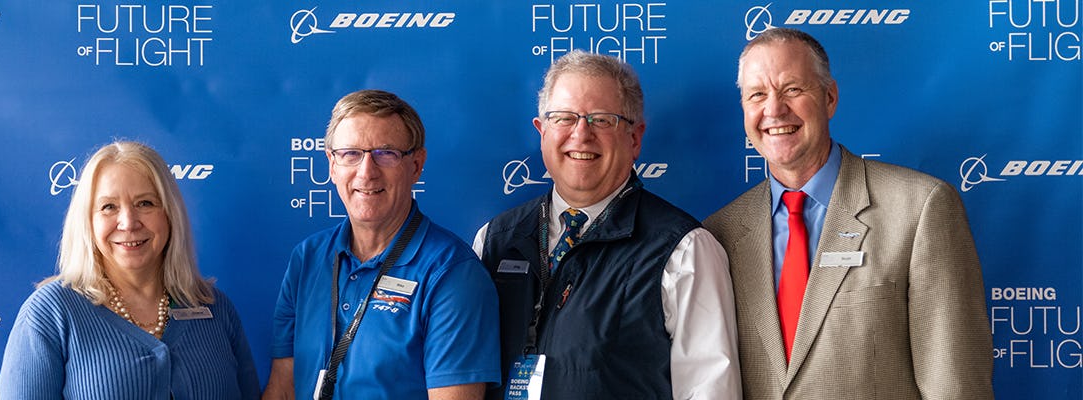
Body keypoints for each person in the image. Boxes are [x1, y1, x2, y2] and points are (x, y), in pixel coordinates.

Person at [703, 28, 994, 399]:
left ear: (829, 97)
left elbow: (956, 385)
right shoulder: (721, 232)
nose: (773, 109)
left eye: (792, 89)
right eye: (757, 95)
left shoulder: (921, 208)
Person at [473, 50, 741, 399]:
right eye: (564, 118)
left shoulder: (684, 250)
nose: (581, 134)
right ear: (541, 132)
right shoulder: (494, 240)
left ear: (635, 138)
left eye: (602, 120)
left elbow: (711, 391)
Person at [262, 89, 500, 400]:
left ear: (416, 165)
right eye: (351, 154)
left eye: (385, 154)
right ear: (332, 165)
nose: (367, 172)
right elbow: (283, 389)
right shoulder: (308, 258)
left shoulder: (453, 274)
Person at [0, 141, 260, 399]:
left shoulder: (215, 308)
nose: (129, 222)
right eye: (108, 207)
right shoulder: (51, 313)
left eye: (145, 203)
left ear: (170, 214)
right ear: (87, 221)